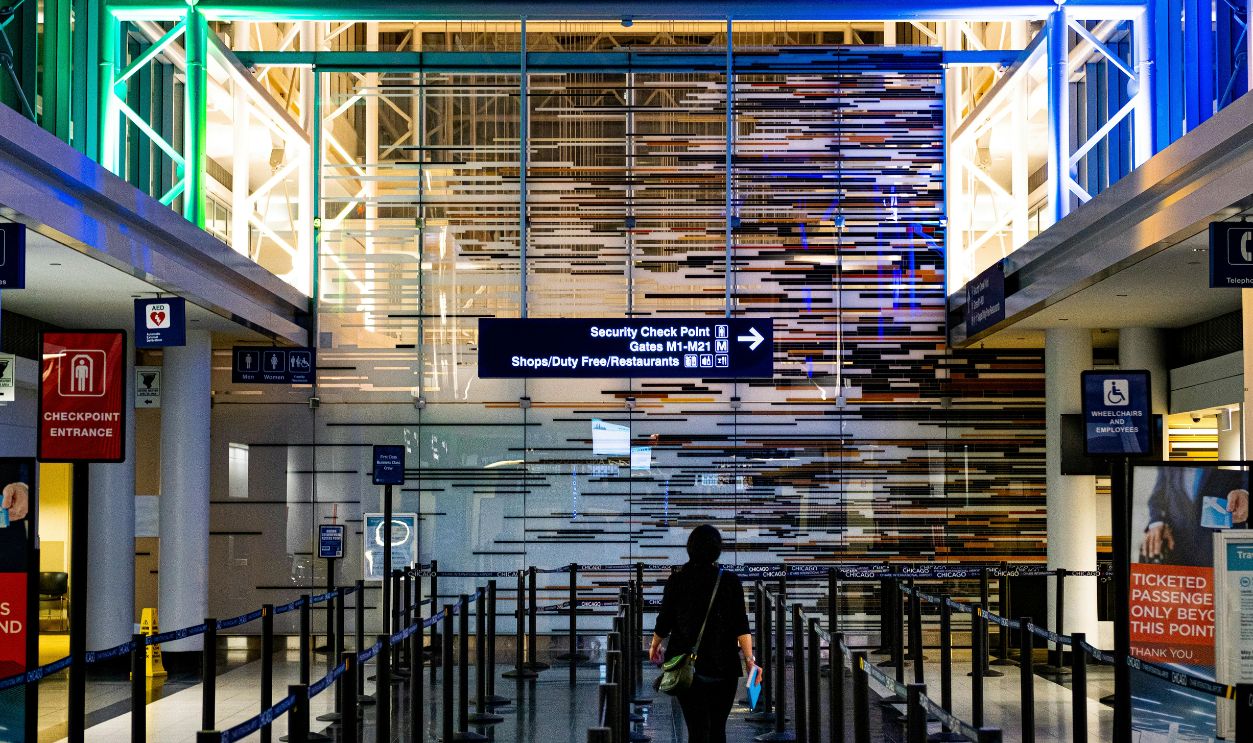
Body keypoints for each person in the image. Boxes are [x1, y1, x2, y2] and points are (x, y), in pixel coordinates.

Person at [649, 525, 754, 743]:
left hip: (687, 665)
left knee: (697, 729)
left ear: (690, 548)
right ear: (718, 550)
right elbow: (741, 626)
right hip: (724, 665)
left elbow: (664, 621)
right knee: (718, 729)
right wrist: (750, 660)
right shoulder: (730, 581)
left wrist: (654, 645)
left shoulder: (677, 580)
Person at [1141, 466, 1249, 567]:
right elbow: (1157, 497)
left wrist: (1246, 494)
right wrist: (1157, 522)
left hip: (1222, 550)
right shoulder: (1169, 458)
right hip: (1179, 549)